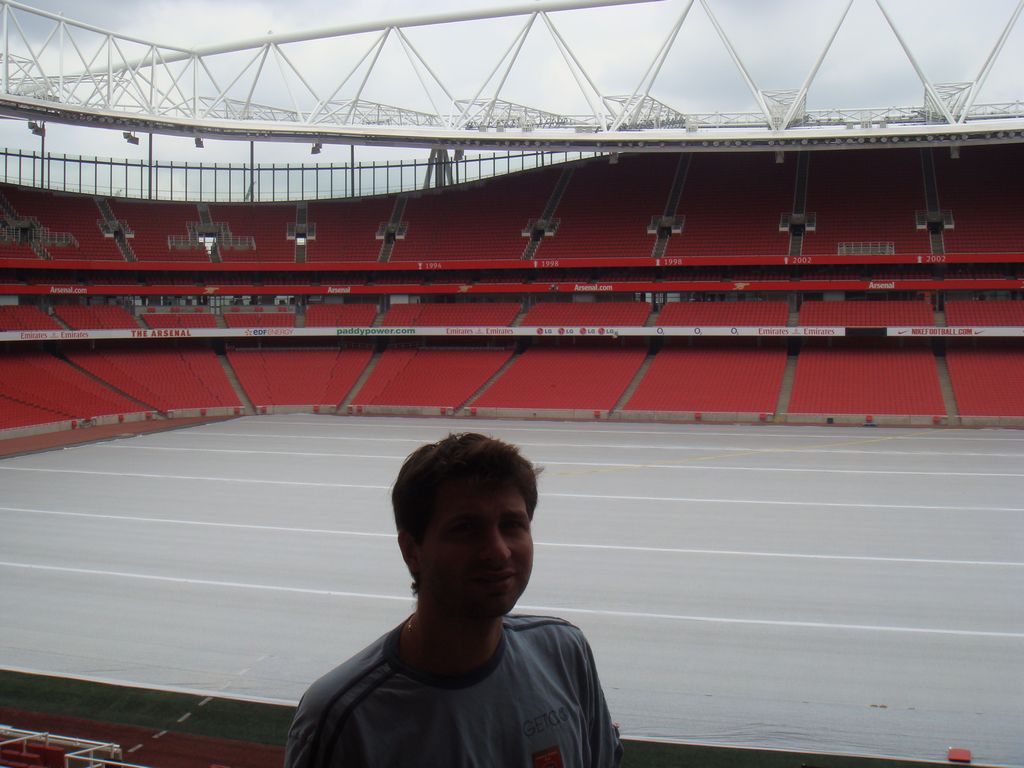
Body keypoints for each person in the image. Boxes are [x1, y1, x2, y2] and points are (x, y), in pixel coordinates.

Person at [285, 432, 623, 768]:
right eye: (466, 529)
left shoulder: (565, 655)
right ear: (411, 551)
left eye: (512, 525)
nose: (498, 551)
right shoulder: (342, 722)